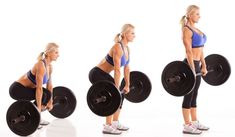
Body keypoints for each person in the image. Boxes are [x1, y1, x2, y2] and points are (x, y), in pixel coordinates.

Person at [88, 24, 135, 135]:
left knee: (121, 94)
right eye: (132, 33)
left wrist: (127, 84)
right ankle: (107, 126)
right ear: (125, 34)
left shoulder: (127, 49)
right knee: (112, 95)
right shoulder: (117, 47)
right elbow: (117, 70)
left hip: (104, 74)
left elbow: (127, 68)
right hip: (96, 73)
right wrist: (116, 88)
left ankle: (114, 122)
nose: (134, 35)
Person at [9, 43, 59, 128]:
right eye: (56, 52)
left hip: (26, 89)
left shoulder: (50, 67)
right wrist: (38, 110)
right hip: (17, 89)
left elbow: (49, 86)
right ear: (48, 53)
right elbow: (39, 89)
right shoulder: (40, 65)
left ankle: (34, 117)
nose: (58, 55)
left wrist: (50, 102)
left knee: (47, 94)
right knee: (43, 94)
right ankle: (35, 118)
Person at [180, 5, 210, 135]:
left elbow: (201, 49)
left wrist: (204, 65)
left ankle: (194, 121)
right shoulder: (186, 30)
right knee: (189, 94)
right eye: (197, 14)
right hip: (189, 65)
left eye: (199, 14)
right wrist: (192, 69)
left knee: (195, 93)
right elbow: (188, 51)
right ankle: (187, 125)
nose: (199, 16)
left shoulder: (197, 30)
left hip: (197, 64)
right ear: (190, 15)